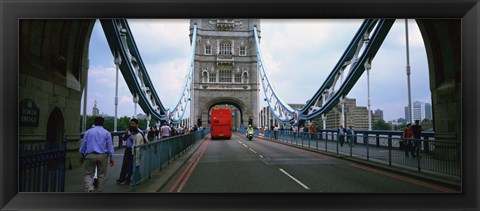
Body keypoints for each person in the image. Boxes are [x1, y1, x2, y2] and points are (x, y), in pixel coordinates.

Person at [79, 116, 115, 192]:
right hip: (102, 155)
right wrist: (112, 158)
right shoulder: (107, 133)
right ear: (103, 123)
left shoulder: (88, 132)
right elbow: (110, 146)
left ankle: (89, 188)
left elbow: (83, 145)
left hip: (90, 155)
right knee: (101, 175)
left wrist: (82, 155)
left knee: (88, 173)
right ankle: (99, 190)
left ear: (94, 123)